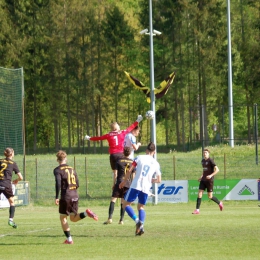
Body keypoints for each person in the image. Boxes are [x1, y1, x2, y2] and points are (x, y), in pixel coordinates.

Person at [54, 150, 98, 244]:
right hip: (75, 194)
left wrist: (56, 197)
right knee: (73, 218)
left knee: (63, 218)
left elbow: (58, 183)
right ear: (65, 158)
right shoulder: (72, 168)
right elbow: (77, 183)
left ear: (57, 159)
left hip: (66, 195)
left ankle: (69, 239)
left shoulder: (57, 170)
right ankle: (86, 213)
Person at [119, 142, 161, 236]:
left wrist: (124, 181)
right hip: (146, 187)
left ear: (146, 150)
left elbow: (130, 170)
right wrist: (151, 180)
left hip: (136, 184)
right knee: (141, 207)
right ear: (154, 152)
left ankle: (137, 221)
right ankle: (141, 227)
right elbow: (159, 180)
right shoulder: (156, 164)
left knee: (125, 205)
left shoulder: (139, 157)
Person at [103, 146, 134, 225]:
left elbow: (115, 173)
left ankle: (110, 218)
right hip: (127, 183)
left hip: (119, 182)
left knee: (113, 200)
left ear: (123, 152)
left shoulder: (118, 161)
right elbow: (133, 175)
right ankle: (121, 220)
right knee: (123, 202)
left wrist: (114, 183)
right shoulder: (132, 162)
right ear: (130, 153)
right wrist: (132, 185)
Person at [192, 148, 223, 214]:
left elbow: (217, 170)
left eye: (206, 153)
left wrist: (211, 176)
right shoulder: (202, 161)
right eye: (204, 153)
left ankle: (219, 203)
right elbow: (204, 170)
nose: (204, 154)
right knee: (199, 194)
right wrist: (201, 176)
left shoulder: (211, 161)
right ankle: (197, 210)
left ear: (208, 154)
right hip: (203, 180)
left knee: (210, 196)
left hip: (209, 181)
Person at [0, 148, 23, 228]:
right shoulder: (13, 163)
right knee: (12, 202)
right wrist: (16, 180)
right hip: (6, 184)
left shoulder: (0, 160)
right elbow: (21, 177)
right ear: (11, 154)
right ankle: (10, 220)